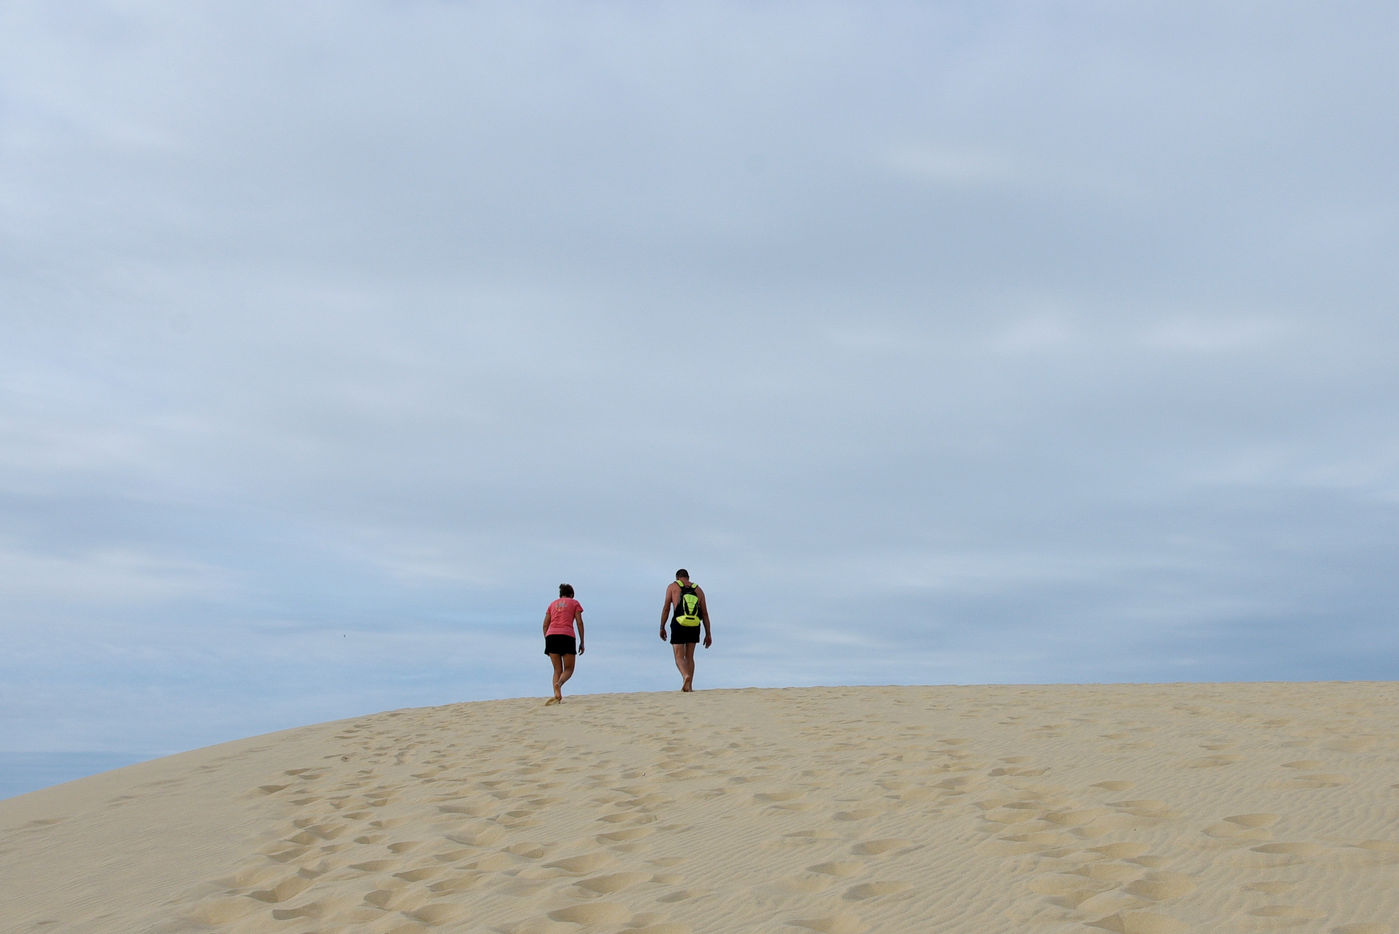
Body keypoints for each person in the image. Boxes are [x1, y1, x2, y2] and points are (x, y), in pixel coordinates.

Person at [659, 568, 711, 692]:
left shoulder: (673, 587)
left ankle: (685, 675)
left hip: (679, 623)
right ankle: (689, 686)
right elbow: (705, 613)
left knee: (679, 657)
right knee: (689, 657)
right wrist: (708, 634)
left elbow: (666, 608)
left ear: (677, 577)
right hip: (694, 625)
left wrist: (662, 626)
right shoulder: (698, 590)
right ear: (688, 577)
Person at [542, 583, 585, 705]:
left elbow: (545, 625)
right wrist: (582, 641)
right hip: (567, 636)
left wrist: (547, 639)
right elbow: (579, 622)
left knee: (557, 669)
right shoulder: (574, 603)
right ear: (571, 594)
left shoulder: (552, 604)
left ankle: (557, 695)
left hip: (551, 636)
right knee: (569, 669)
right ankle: (559, 684)